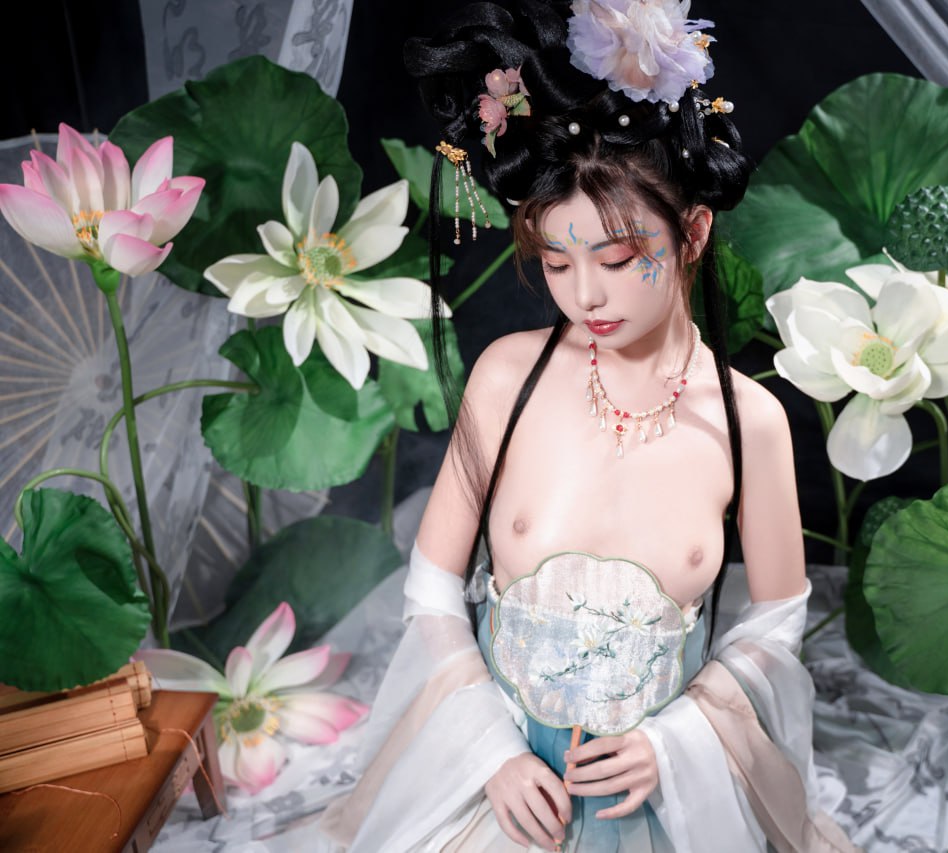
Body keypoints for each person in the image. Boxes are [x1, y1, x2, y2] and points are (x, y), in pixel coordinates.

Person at [321, 2, 859, 850]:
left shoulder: (748, 419)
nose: (585, 295)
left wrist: (671, 744)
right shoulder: (508, 376)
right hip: (503, 778)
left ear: (693, 232)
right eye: (557, 261)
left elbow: (774, 621)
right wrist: (490, 752)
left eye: (615, 259)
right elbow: (431, 587)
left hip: (659, 786)